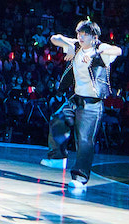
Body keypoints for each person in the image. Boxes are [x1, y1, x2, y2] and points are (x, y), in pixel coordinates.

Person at [40, 19, 123, 192]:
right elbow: (55, 38)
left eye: (85, 34)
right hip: (76, 99)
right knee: (57, 119)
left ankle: (80, 178)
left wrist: (98, 51)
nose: (81, 37)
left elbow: (118, 50)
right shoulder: (77, 46)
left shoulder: (100, 50)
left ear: (94, 37)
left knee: (85, 140)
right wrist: (69, 45)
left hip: (92, 103)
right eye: (79, 34)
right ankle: (58, 158)